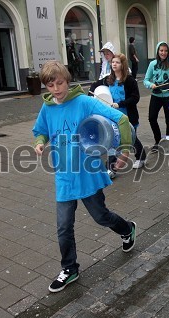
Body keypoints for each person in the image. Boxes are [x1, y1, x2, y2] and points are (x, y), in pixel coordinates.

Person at [32, 60, 136, 293]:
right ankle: (69, 268)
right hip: (64, 177)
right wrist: (39, 143)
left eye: (60, 83)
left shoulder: (85, 102)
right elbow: (40, 131)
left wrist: (125, 149)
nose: (56, 89)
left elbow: (122, 119)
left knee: (101, 217)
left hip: (88, 174)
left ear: (68, 81)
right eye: (51, 85)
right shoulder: (47, 108)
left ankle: (127, 229)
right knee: (63, 226)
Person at [89, 53, 147, 173]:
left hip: (128, 116)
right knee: (113, 139)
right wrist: (90, 97)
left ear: (123, 65)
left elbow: (135, 98)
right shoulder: (108, 79)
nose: (114, 64)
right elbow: (94, 86)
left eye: (117, 62)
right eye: (113, 62)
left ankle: (141, 157)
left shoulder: (130, 81)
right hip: (112, 117)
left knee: (132, 139)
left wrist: (120, 104)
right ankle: (111, 167)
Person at [143, 42, 169, 152]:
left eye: (166, 51)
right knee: (152, 118)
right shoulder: (152, 64)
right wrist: (151, 85)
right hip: (155, 95)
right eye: (161, 50)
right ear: (158, 51)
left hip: (168, 95)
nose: (163, 53)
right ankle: (157, 141)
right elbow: (145, 80)